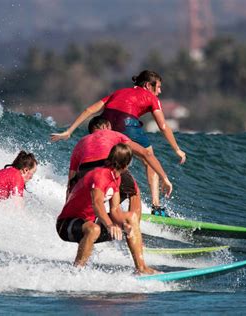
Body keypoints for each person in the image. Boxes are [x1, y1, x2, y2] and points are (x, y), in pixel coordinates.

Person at [51, 70, 186, 215]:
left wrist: (69, 131)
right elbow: (163, 126)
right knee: (149, 159)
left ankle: (92, 201)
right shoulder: (152, 98)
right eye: (158, 87)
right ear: (148, 85)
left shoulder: (118, 92)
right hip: (127, 123)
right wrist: (177, 149)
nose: (159, 91)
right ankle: (156, 206)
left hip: (106, 124)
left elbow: (89, 109)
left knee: (109, 162)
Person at [56, 143, 157, 274]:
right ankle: (76, 273)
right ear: (127, 164)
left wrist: (124, 226)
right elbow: (97, 204)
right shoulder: (100, 175)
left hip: (88, 223)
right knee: (94, 229)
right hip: (66, 225)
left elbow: (115, 210)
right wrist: (110, 225)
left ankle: (141, 268)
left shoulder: (116, 178)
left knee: (131, 217)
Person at [67, 116, 172, 216]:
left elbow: (71, 179)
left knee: (94, 200)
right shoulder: (114, 134)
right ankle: (132, 227)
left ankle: (102, 220)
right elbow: (147, 154)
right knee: (133, 193)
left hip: (85, 172)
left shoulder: (80, 142)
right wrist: (164, 178)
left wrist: (67, 208)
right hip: (107, 166)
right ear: (106, 126)